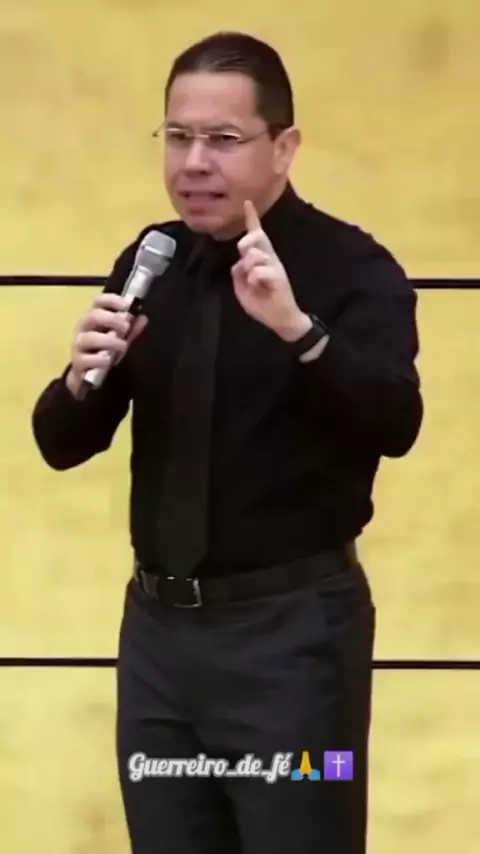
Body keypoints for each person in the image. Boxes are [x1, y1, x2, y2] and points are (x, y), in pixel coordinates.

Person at [31, 30, 423, 854]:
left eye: (222, 139)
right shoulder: (151, 261)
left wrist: (298, 331)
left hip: (295, 646)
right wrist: (79, 379)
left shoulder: (353, 269)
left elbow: (397, 422)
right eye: (177, 137)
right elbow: (61, 444)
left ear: (284, 147)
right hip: (159, 645)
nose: (194, 164)